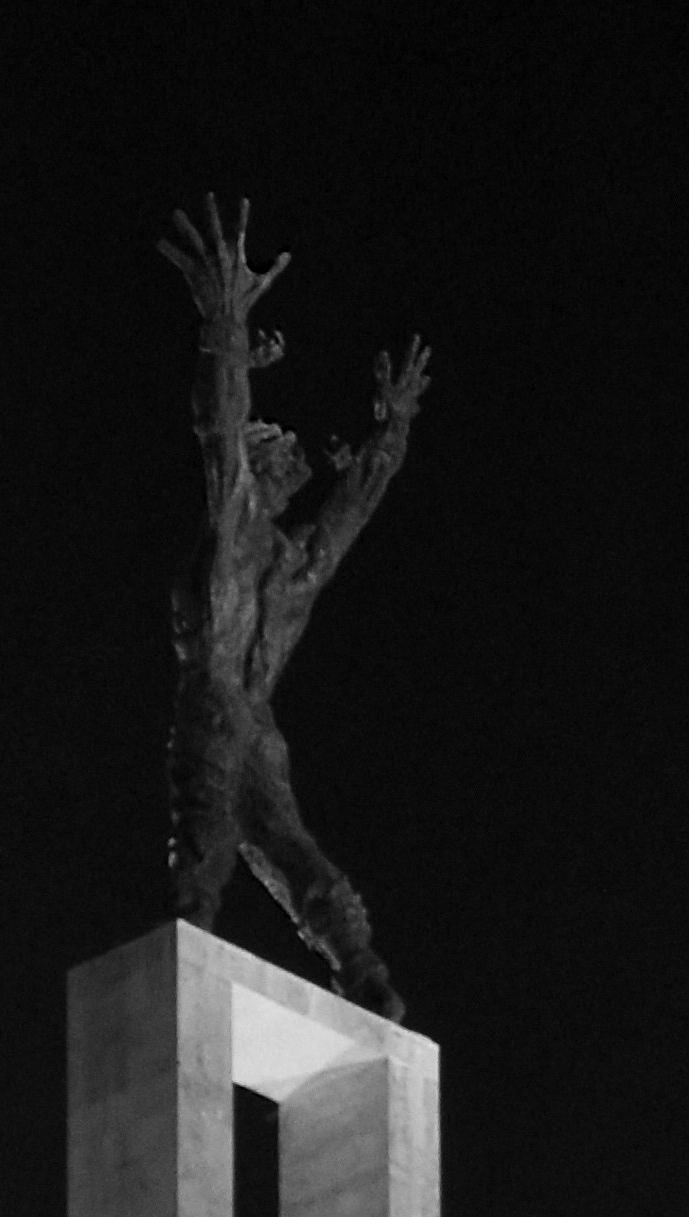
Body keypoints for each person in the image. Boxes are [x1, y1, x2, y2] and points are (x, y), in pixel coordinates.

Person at [161, 203, 428, 1017]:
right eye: (278, 461)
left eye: (274, 466)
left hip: (229, 712)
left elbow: (343, 508)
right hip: (241, 716)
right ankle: (360, 970)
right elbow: (230, 429)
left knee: (235, 850)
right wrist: (225, 327)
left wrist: (392, 434)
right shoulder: (263, 546)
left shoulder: (269, 551)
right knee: (258, 851)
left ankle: (346, 969)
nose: (286, 470)